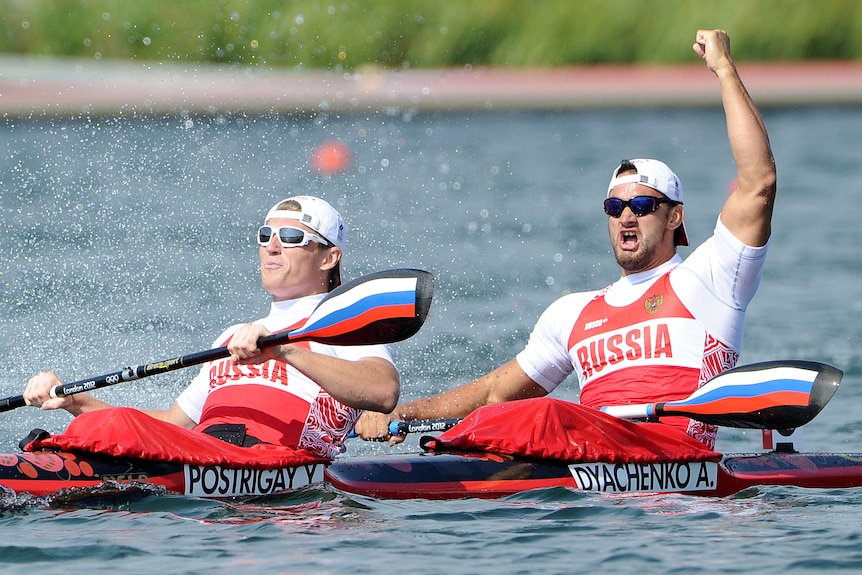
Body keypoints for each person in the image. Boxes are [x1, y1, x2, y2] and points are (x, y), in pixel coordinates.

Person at [355, 29, 775, 450]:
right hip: (592, 480)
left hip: (673, 455)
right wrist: (403, 412)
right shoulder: (572, 314)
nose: (626, 215)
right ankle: (453, 452)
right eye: (614, 208)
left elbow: (758, 185)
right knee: (514, 412)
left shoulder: (711, 279)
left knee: (544, 412)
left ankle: (460, 448)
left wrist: (723, 69)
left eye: (642, 205)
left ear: (674, 217)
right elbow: (494, 393)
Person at [24, 195, 400, 459]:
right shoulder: (235, 336)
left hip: (274, 465)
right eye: (265, 236)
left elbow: (383, 392)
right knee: (108, 423)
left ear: (329, 257)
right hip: (202, 454)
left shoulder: (345, 322)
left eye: (290, 238)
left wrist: (283, 352)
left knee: (119, 425)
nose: (272, 247)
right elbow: (175, 424)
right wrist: (77, 402)